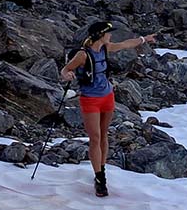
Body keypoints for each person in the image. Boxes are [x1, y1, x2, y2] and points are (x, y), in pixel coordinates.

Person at [60, 21, 156, 197]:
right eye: (108, 33)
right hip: (90, 100)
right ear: (100, 35)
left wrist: (144, 39)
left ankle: (101, 170)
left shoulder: (105, 48)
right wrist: (68, 75)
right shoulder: (83, 55)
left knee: (103, 135)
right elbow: (65, 69)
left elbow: (126, 44)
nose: (110, 35)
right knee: (95, 137)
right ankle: (99, 178)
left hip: (107, 97)